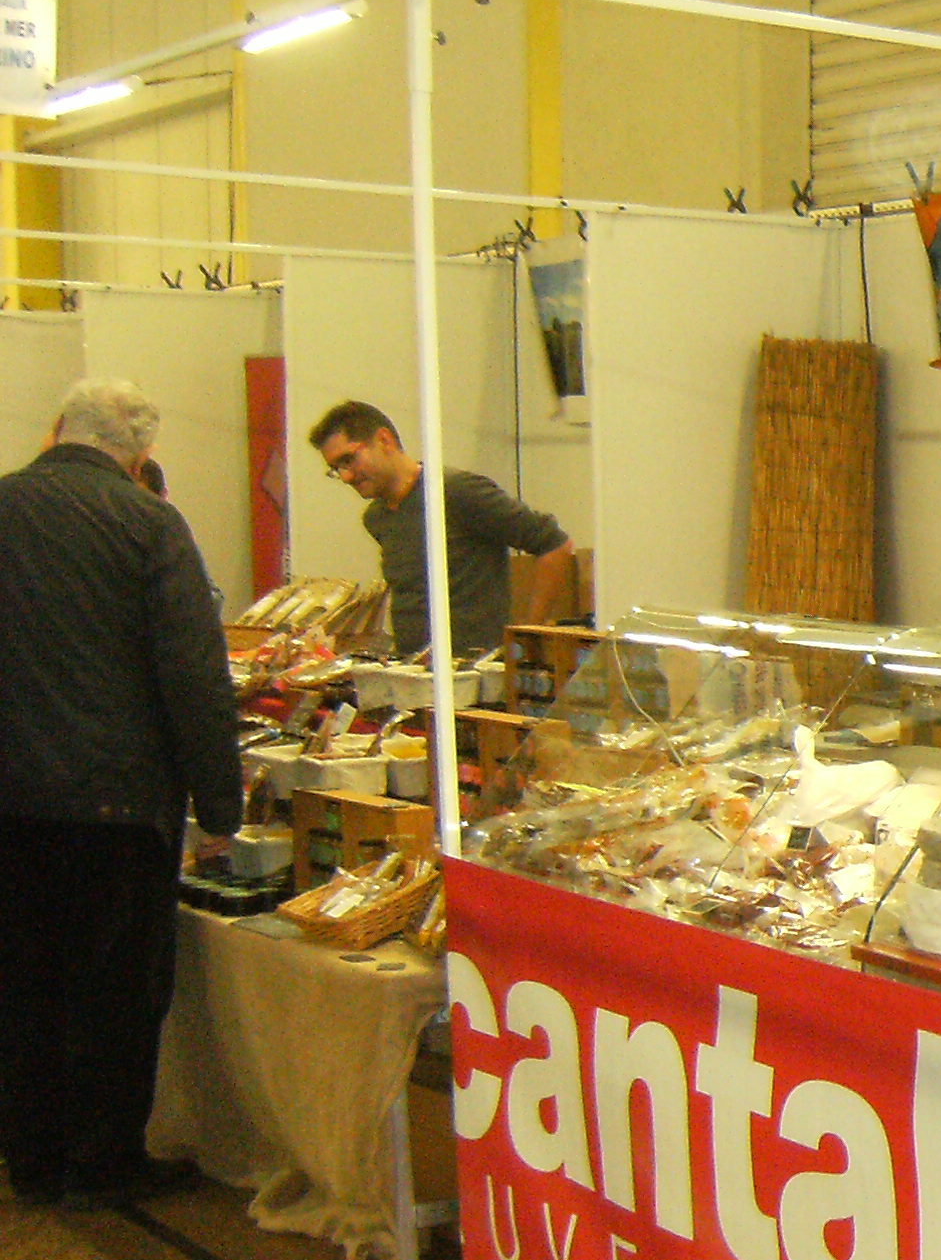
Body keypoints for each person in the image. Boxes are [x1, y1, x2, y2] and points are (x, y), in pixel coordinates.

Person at [0, 380, 243, 1208]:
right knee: (113, 990)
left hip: (11, 801)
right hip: (118, 805)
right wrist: (220, 808)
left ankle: (31, 1157)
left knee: (23, 981)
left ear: (54, 429)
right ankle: (102, 1163)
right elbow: (194, 679)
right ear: (140, 456)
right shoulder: (150, 524)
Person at [306, 399, 574, 661]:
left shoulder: (458, 492)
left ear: (384, 440)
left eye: (349, 459)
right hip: (413, 671)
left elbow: (555, 545)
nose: (346, 476)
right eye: (336, 469)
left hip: (473, 673)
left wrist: (525, 638)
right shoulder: (377, 518)